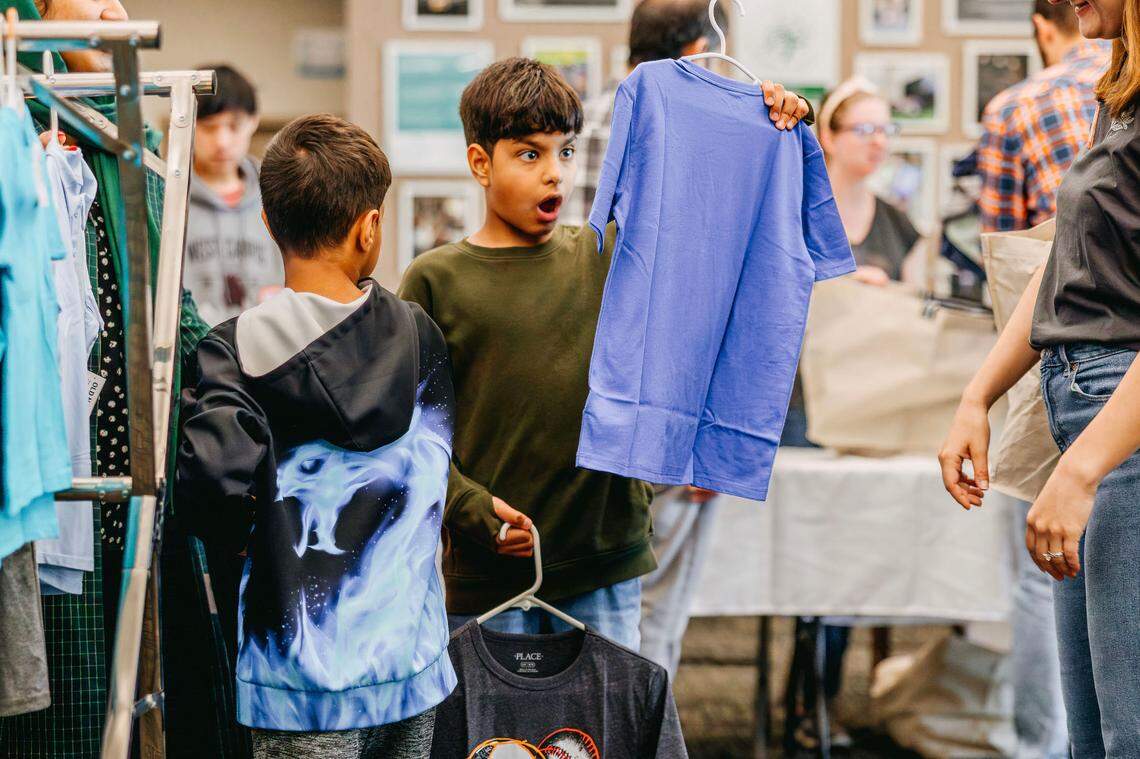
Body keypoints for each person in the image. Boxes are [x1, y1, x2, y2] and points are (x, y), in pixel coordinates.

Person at [398, 57, 812, 650]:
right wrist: (471, 509)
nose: (555, 174)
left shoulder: (613, 257)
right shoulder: (436, 279)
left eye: (565, 152)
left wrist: (772, 122)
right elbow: (410, 431)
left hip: (607, 566)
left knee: (608, 711)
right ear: (480, 163)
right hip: (489, 576)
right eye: (529, 154)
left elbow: (719, 208)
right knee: (493, 715)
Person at [178, 114, 456, 758]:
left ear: (268, 222)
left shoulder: (231, 352)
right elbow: (437, 463)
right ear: (369, 227)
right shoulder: (420, 335)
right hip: (410, 662)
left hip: (294, 678)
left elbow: (211, 488)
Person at [561, 0, 813, 679]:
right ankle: (640, 727)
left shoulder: (578, 123)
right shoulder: (731, 129)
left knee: (587, 603)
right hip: (673, 398)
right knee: (658, 614)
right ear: (703, 49)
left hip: (586, 395)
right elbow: (726, 285)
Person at [940, 0, 1140, 755]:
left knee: (1127, 729)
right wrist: (978, 395)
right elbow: (1063, 260)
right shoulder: (1117, 97)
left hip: (1119, 431)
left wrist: (1084, 470)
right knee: (1092, 733)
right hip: (1084, 417)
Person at [972, 3, 1108, 756]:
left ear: (1037, 24)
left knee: (1044, 567)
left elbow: (1004, 257)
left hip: (1068, 360)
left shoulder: (1016, 106)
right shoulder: (1113, 94)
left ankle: (1036, 748)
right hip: (1082, 358)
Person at [978, 1, 1110, 233]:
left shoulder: (1013, 108)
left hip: (1064, 251)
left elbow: (1005, 242)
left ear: (1041, 27)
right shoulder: (1127, 80)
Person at [183, 64, 282, 327]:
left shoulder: (278, 193)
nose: (222, 141)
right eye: (209, 127)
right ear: (187, 123)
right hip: (195, 343)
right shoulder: (167, 198)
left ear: (253, 121)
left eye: (234, 126)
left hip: (267, 341)